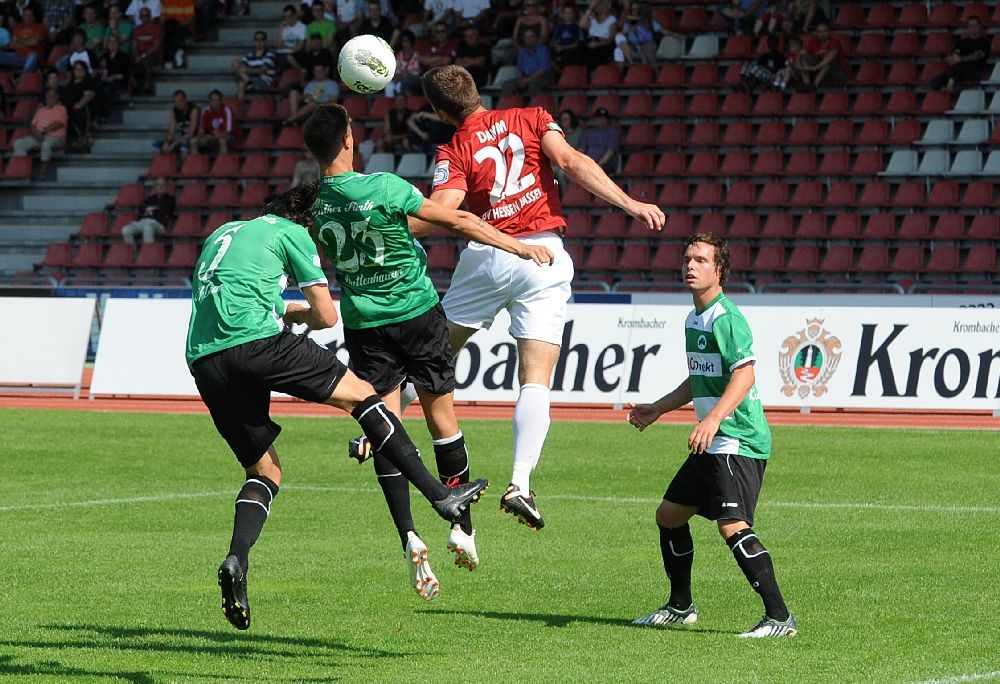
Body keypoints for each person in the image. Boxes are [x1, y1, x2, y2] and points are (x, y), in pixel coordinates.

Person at [186, 183, 489, 630]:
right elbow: (327, 316)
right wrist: (299, 315)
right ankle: (441, 496)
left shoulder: (223, 232)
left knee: (265, 472)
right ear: (305, 220)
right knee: (364, 395)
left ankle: (237, 560)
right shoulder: (293, 232)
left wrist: (281, 310)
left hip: (204, 358)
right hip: (258, 342)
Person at [303, 104, 552, 595]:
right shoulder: (383, 186)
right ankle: (462, 527)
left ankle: (409, 535)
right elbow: (456, 219)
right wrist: (519, 246)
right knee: (443, 421)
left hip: (364, 323)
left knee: (385, 427)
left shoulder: (315, 205)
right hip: (416, 314)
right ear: (348, 142)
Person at [416, 65, 664, 529]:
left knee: (430, 354)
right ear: (476, 90)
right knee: (536, 380)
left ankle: (379, 425)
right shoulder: (532, 116)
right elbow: (571, 162)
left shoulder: (454, 147)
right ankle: (520, 483)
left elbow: (442, 212)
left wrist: (388, 225)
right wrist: (630, 204)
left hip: (489, 254)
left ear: (441, 112)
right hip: (544, 257)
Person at [627, 233, 797, 639]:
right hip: (714, 440)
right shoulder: (694, 319)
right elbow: (699, 379)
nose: (691, 265)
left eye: (701, 260)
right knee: (669, 516)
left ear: (719, 270)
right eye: (687, 258)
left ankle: (779, 618)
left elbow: (745, 373)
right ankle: (680, 607)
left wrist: (714, 419)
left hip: (738, 439)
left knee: (732, 525)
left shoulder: (726, 318)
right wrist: (658, 408)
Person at [11, 85, 67, 176]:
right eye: (48, 96)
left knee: (46, 144)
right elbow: (33, 125)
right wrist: (36, 134)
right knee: (18, 143)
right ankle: (24, 169)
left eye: (52, 96)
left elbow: (59, 123)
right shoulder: (41, 110)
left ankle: (43, 172)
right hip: (38, 136)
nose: (50, 98)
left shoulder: (61, 109)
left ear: (57, 97)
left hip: (55, 137)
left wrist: (45, 132)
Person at [930, 15, 991, 93]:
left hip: (974, 71)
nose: (973, 28)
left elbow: (977, 56)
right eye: (970, 25)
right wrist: (950, 58)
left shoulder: (984, 42)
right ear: (968, 27)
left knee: (958, 64)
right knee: (935, 83)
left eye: (975, 25)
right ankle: (952, 89)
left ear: (980, 26)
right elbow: (953, 56)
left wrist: (960, 59)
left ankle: (950, 87)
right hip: (956, 71)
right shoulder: (962, 42)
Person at [121, 175, 175, 245]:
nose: (160, 187)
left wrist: (149, 210)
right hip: (144, 221)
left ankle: (148, 251)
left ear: (166, 186)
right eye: (158, 185)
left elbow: (163, 211)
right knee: (125, 230)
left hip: (159, 224)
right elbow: (140, 209)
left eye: (162, 185)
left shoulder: (170, 199)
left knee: (148, 227)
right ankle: (132, 251)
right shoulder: (150, 199)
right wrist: (153, 209)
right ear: (155, 186)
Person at [795, 21, 846, 89]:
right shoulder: (813, 42)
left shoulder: (835, 42)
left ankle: (814, 86)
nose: (822, 34)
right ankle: (807, 84)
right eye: (819, 32)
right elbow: (800, 53)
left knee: (826, 61)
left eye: (825, 31)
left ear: (829, 32)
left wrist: (816, 67)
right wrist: (798, 64)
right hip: (818, 72)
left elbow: (831, 56)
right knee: (803, 57)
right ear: (816, 33)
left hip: (836, 73)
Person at [503, 26, 551, 97]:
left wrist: (528, 80)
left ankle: (529, 103)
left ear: (536, 38)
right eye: (527, 37)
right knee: (507, 84)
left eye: (531, 37)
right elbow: (519, 68)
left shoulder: (542, 50)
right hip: (525, 77)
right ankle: (508, 103)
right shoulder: (522, 51)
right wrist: (520, 79)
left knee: (533, 84)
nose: (529, 39)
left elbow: (542, 70)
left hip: (541, 77)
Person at [232, 30, 277, 99]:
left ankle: (240, 101)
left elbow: (262, 71)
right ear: (254, 41)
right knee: (235, 63)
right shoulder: (249, 55)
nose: (259, 42)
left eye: (262, 39)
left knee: (242, 83)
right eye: (256, 39)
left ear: (265, 42)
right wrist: (239, 67)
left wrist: (247, 70)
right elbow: (239, 69)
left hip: (264, 80)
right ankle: (248, 83)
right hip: (251, 78)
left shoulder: (269, 55)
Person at [154, 88, 198, 156]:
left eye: (180, 101)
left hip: (195, 137)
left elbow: (191, 133)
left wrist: (174, 144)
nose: (178, 104)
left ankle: (184, 163)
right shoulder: (174, 111)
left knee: (184, 145)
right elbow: (171, 131)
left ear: (185, 99)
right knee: (157, 144)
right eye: (176, 102)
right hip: (183, 138)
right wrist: (167, 142)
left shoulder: (193, 110)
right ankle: (160, 163)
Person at [131, 5, 162, 94]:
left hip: (151, 54)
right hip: (139, 54)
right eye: (142, 16)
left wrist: (143, 56)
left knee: (147, 63)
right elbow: (134, 46)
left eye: (146, 16)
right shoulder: (137, 29)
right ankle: (135, 87)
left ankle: (147, 87)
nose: (144, 18)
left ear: (150, 16)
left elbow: (156, 46)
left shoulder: (156, 28)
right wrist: (136, 55)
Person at [195, 88, 237, 155]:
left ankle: (222, 161)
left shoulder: (227, 110)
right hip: (211, 138)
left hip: (227, 138)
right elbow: (201, 130)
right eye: (213, 100)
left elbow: (228, 132)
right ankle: (196, 161)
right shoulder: (205, 111)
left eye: (217, 100)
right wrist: (201, 137)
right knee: (194, 141)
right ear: (210, 101)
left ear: (221, 101)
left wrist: (211, 137)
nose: (215, 103)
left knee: (222, 140)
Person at [580, 106, 620, 176]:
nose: (601, 120)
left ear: (607, 120)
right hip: (590, 163)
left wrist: (601, 162)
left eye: (604, 118)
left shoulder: (612, 133)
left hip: (605, 164)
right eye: (599, 118)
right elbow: (582, 149)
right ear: (595, 119)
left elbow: (610, 151)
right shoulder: (589, 132)